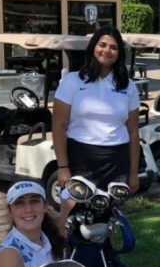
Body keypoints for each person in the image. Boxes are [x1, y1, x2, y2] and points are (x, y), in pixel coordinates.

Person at [52, 26, 141, 229]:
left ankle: (104, 260)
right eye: (102, 45)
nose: (107, 50)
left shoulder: (128, 86)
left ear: (119, 53)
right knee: (70, 220)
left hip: (116, 159)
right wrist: (63, 167)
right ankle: (68, 259)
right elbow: (58, 125)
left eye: (113, 47)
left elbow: (133, 131)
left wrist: (133, 172)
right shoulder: (72, 81)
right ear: (93, 47)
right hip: (80, 157)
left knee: (107, 220)